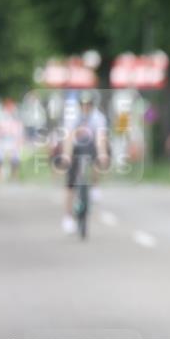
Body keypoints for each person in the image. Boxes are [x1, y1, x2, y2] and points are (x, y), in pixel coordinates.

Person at [61, 91, 109, 234]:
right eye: (83, 105)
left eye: (88, 105)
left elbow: (100, 138)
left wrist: (102, 154)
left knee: (98, 157)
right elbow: (68, 137)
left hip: (91, 146)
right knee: (70, 183)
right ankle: (68, 216)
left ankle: (94, 185)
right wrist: (66, 156)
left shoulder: (98, 118)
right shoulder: (73, 117)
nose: (85, 107)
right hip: (75, 148)